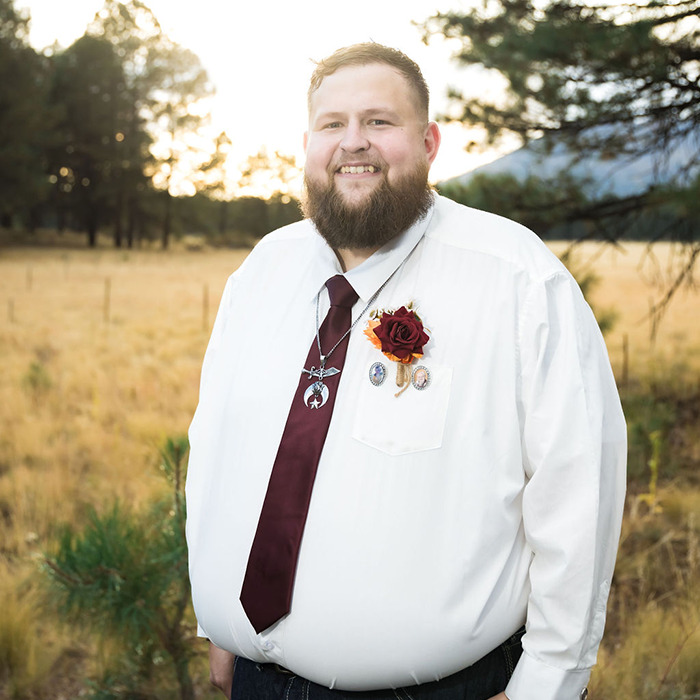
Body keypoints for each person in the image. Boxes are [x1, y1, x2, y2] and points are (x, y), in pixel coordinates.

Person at [185, 43, 626, 700]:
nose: (352, 143)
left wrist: (549, 683)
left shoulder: (516, 278)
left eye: (379, 122)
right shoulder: (261, 272)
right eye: (332, 124)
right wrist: (219, 625)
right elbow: (218, 455)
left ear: (429, 142)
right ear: (308, 143)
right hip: (254, 681)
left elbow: (577, 490)